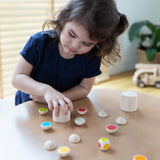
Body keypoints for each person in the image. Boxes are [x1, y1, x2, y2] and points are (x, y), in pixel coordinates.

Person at [12, 0, 129, 116]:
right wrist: (45, 91)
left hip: (64, 109)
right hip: (30, 106)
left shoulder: (92, 56)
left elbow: (84, 88)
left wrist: (59, 99)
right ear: (64, 20)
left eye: (87, 44)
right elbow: (17, 78)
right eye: (72, 34)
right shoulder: (39, 42)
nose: (75, 45)